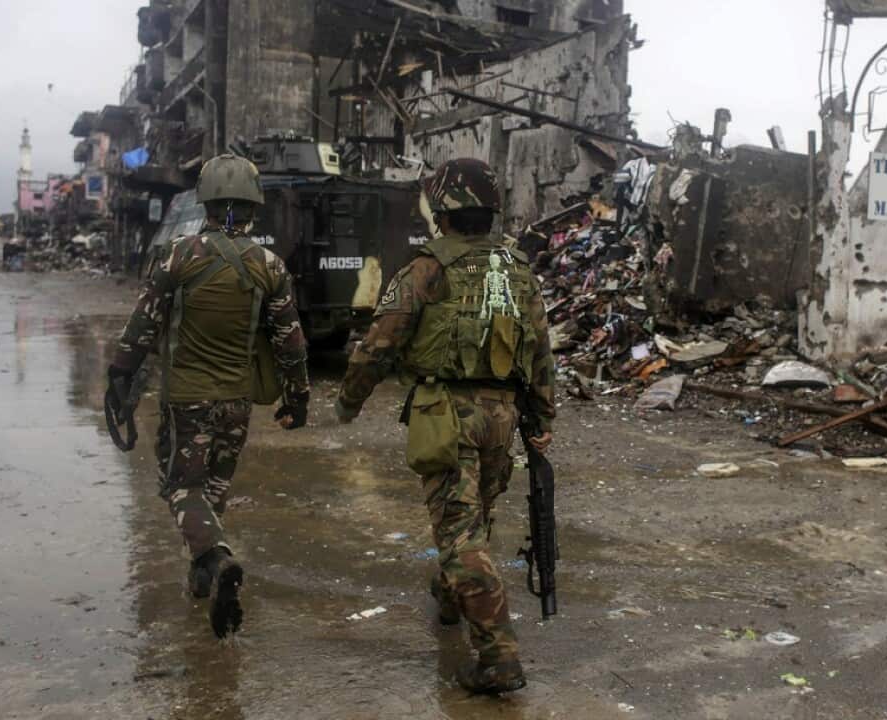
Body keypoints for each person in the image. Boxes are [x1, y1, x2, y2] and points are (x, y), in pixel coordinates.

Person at [334, 158, 556, 694]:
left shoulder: (426, 269)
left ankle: (498, 656)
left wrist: (349, 400)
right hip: (502, 416)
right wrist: (542, 415)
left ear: (443, 211)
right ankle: (451, 595)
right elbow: (540, 348)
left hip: (447, 414)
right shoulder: (517, 268)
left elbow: (380, 343)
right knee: (475, 517)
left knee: (459, 533)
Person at [106, 154, 310, 639]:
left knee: (182, 487)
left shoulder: (178, 256)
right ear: (253, 206)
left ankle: (216, 561)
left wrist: (119, 376)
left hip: (187, 399)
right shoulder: (270, 266)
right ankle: (203, 576)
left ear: (206, 202)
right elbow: (290, 341)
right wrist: (297, 396)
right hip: (237, 401)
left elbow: (143, 325)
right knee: (213, 488)